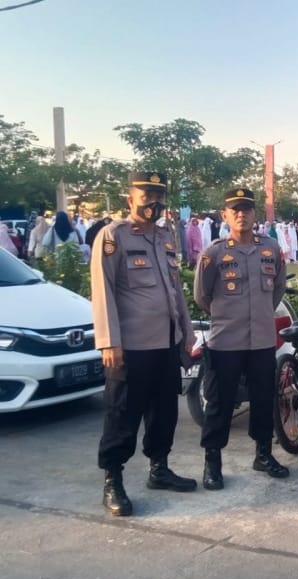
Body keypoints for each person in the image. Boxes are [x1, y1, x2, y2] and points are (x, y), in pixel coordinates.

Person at [91, 172, 197, 517]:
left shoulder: (165, 238)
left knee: (164, 412)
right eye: (146, 195)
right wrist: (109, 342)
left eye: (158, 196)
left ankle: (159, 469)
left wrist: (186, 332)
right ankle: (113, 480)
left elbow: (175, 290)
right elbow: (103, 291)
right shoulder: (113, 236)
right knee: (122, 415)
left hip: (166, 344)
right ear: (130, 200)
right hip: (131, 347)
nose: (153, 202)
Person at [193, 188, 290, 490]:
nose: (241, 214)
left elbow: (278, 288)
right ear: (225, 215)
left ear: (254, 214)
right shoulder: (213, 253)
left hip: (262, 340)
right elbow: (202, 296)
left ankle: (263, 454)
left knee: (263, 398)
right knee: (219, 402)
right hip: (226, 341)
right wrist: (229, 315)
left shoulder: (271, 248)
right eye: (234, 210)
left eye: (246, 209)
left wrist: (260, 313)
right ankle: (212, 462)